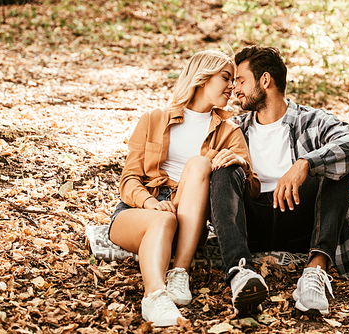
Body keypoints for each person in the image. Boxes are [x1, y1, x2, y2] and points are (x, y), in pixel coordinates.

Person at [209, 46, 349, 316]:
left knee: (336, 165)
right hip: (252, 225)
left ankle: (315, 273)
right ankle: (240, 272)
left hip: (300, 222)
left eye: (240, 80)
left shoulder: (312, 120)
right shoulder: (234, 127)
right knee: (223, 166)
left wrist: (306, 163)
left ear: (265, 80)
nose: (234, 89)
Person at [109, 50, 260, 327]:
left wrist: (239, 162)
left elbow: (249, 190)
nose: (232, 87)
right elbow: (129, 179)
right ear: (202, 78)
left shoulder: (230, 130)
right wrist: (150, 203)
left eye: (235, 80)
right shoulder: (154, 119)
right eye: (226, 78)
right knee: (163, 218)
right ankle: (154, 296)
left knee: (200, 163)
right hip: (140, 212)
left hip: (189, 219)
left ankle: (180, 272)